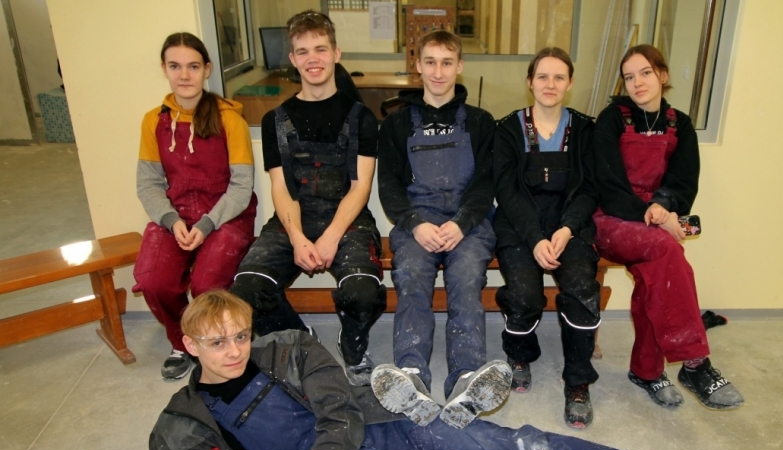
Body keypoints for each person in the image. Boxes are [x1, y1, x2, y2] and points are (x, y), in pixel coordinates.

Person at [141, 289, 763, 450]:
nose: (235, 350)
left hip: (391, 428)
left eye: (241, 335)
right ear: (189, 345)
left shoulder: (289, 349)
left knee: (525, 448)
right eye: (217, 342)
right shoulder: (179, 426)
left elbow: (342, 421)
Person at [230, 11, 386, 386]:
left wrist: (331, 236)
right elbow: (281, 188)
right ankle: (300, 341)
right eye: (303, 51)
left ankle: (352, 348)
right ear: (293, 59)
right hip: (293, 219)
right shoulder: (275, 121)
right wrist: (298, 238)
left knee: (364, 293)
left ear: (336, 53)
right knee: (246, 288)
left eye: (320, 49)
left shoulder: (361, 118)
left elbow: (360, 186)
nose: (312, 59)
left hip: (348, 220)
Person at [590, 44, 744, 410]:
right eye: (629, 77)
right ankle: (695, 363)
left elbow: (684, 181)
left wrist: (664, 206)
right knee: (665, 249)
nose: (638, 82)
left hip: (656, 217)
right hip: (610, 218)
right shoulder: (612, 119)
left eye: (645, 73)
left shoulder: (680, 124)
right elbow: (607, 185)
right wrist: (653, 213)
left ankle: (647, 371)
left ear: (663, 75)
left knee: (657, 271)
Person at [377, 31, 500, 407]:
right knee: (411, 275)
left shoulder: (481, 122)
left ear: (459, 66)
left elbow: (485, 184)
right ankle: (411, 375)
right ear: (417, 66)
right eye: (430, 62)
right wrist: (415, 224)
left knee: (465, 279)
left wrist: (462, 223)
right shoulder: (396, 124)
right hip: (418, 222)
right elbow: (389, 187)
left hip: (469, 223)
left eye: (447, 63)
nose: (438, 71)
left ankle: (466, 377)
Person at [134, 32, 257, 380]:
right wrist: (171, 221)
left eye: (193, 66)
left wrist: (206, 225)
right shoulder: (152, 121)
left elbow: (241, 187)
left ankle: (217, 344)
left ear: (207, 70)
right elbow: (148, 184)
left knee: (207, 285)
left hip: (225, 215)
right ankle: (183, 341)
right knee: (154, 281)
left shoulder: (229, 120)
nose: (184, 75)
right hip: (175, 215)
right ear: (164, 69)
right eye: (175, 66)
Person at [491, 47, 601, 428]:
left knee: (581, 289)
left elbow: (589, 189)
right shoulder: (508, 129)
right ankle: (520, 354)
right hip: (520, 224)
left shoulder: (585, 129)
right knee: (524, 293)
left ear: (570, 83)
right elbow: (507, 191)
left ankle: (578, 382)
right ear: (530, 82)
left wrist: (567, 229)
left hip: (571, 224)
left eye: (559, 77)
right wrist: (536, 237)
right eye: (542, 76)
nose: (550, 84)